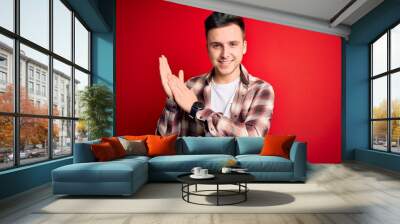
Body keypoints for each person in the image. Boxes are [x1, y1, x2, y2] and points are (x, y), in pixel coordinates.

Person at [156, 12, 274, 137]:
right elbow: (166, 145)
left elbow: (253, 139)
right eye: (216, 45)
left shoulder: (260, 89)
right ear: (207, 48)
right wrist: (172, 103)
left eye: (233, 44)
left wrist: (196, 109)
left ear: (244, 47)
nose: (225, 54)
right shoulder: (189, 87)